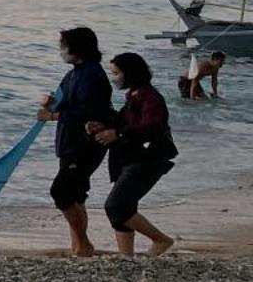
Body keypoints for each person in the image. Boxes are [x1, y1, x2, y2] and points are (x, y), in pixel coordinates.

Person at [86, 52, 177, 257]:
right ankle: (126, 256)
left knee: (116, 206)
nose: (114, 78)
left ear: (130, 73)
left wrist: (116, 133)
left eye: (116, 73)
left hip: (146, 160)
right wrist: (103, 127)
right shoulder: (133, 96)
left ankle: (161, 240)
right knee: (124, 208)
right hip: (128, 159)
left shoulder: (150, 97)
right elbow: (124, 124)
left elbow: (150, 126)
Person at [36, 26, 115, 257]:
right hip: (69, 143)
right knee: (76, 194)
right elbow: (63, 101)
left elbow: (88, 111)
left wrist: (51, 116)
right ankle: (78, 247)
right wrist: (51, 103)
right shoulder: (73, 73)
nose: (61, 50)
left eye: (64, 46)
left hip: (85, 144)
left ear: (77, 48)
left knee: (61, 191)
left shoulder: (92, 74)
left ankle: (84, 244)